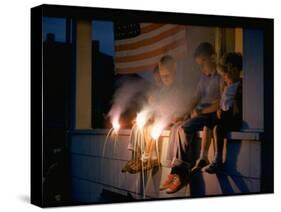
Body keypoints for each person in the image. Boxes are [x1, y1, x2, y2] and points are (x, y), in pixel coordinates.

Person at [161, 42, 222, 193]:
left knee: (183, 128)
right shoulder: (204, 79)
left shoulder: (220, 77)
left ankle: (182, 173)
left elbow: (221, 102)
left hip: (212, 116)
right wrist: (183, 113)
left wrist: (201, 111)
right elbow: (195, 98)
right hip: (201, 114)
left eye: (203, 63)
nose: (201, 68)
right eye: (199, 65)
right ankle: (174, 171)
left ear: (213, 58)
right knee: (176, 127)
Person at [122, 55, 178, 174]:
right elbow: (154, 107)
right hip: (159, 118)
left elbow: (175, 109)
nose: (165, 79)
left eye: (167, 75)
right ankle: (137, 158)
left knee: (153, 127)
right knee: (139, 125)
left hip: (170, 120)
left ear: (174, 70)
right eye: (162, 77)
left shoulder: (179, 88)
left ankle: (149, 157)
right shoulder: (162, 90)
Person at [204, 52, 243, 173]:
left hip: (233, 118)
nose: (224, 78)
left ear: (234, 70)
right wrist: (220, 109)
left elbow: (236, 106)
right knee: (207, 123)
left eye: (225, 75)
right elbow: (224, 101)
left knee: (217, 128)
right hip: (224, 115)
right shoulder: (227, 86)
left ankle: (218, 159)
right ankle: (203, 156)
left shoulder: (240, 86)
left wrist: (226, 112)